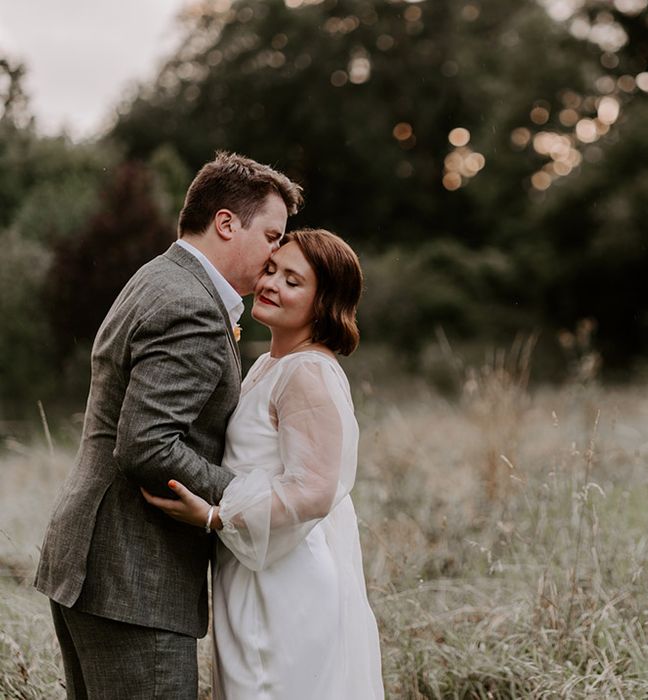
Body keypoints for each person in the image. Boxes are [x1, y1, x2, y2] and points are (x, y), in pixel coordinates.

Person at [34, 151, 303, 699]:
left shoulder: (158, 276)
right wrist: (246, 498)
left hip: (96, 565)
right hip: (134, 577)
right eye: (273, 236)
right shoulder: (193, 306)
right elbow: (147, 444)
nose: (277, 253)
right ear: (226, 223)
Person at [143, 228, 385, 699]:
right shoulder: (269, 364)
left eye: (293, 281)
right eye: (272, 269)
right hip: (251, 562)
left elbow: (315, 490)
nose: (271, 283)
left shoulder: (308, 372)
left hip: (283, 576)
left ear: (324, 302)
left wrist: (216, 516)